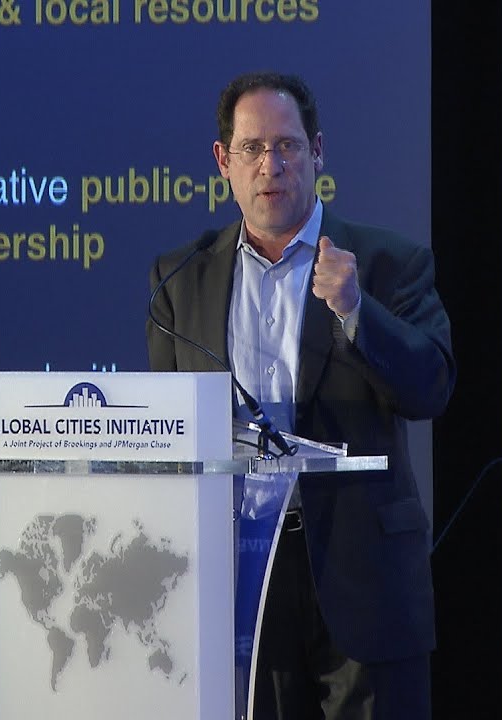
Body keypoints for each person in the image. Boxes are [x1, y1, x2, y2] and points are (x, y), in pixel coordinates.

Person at [146, 72, 456, 719]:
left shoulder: (387, 262)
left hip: (364, 578)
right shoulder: (181, 279)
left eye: (287, 146)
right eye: (253, 148)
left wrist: (355, 311)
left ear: (317, 152)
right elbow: (169, 438)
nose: (271, 165)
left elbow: (431, 387)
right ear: (223, 160)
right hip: (240, 581)